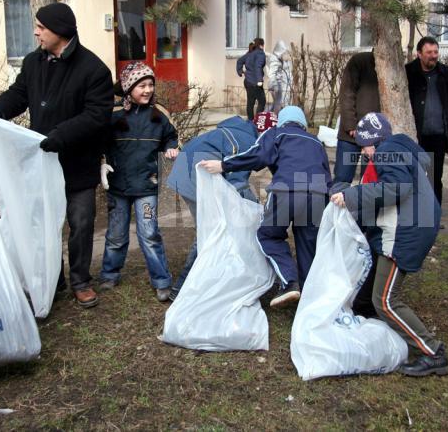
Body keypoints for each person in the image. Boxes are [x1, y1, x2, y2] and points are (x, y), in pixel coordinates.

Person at [0, 2, 113, 308]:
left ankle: (81, 281)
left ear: (59, 30)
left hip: (77, 163)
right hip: (41, 163)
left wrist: (59, 135)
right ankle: (51, 277)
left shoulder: (94, 69)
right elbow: (19, 94)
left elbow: (96, 115)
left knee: (81, 223)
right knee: (43, 223)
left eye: (41, 27)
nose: (36, 32)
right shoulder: (33, 63)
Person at [330, 112, 446, 377]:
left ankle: (434, 351)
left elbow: (396, 188)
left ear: (373, 141)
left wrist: (352, 194)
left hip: (406, 231)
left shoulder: (387, 150)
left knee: (385, 300)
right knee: (373, 298)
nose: (364, 154)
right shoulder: (398, 148)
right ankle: (375, 326)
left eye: (363, 147)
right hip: (412, 226)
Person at [200, 106, 331, 307]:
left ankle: (289, 282)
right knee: (308, 245)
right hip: (317, 195)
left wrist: (224, 165)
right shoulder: (316, 142)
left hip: (286, 190)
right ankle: (311, 301)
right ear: (303, 123)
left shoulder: (276, 133)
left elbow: (257, 155)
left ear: (282, 121)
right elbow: (327, 176)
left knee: (268, 235)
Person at [165, 111, 278, 301]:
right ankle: (181, 288)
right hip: (195, 178)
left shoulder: (240, 130)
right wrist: (257, 209)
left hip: (184, 172)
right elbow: (237, 184)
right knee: (210, 231)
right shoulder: (248, 143)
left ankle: (214, 273)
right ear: (265, 133)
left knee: (215, 227)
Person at [98, 62, 178, 302]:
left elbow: (172, 136)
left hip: (146, 187)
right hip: (118, 187)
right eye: (141, 85)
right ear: (128, 87)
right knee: (116, 234)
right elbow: (98, 140)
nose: (147, 90)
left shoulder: (159, 113)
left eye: (150, 85)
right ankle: (110, 273)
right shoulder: (112, 114)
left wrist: (172, 148)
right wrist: (101, 162)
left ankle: (162, 281)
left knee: (149, 232)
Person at [406, 36, 448, 204]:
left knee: (434, 178)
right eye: (429, 52)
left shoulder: (447, 74)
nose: (433, 56)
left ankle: (432, 215)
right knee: (413, 176)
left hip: (437, 136)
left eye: (435, 52)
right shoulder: (407, 73)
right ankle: (413, 215)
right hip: (415, 136)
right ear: (419, 54)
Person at [335, 51, 381, 184]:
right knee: (342, 180)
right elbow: (346, 95)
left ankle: (365, 205)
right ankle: (336, 205)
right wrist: (351, 127)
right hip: (351, 135)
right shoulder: (360, 61)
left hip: (376, 136)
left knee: (370, 182)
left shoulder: (393, 67)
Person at [236, 37, 267, 120]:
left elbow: (239, 61)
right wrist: (259, 80)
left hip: (248, 81)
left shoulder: (250, 53)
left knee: (250, 102)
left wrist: (240, 71)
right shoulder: (260, 54)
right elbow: (258, 66)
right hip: (255, 82)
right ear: (261, 45)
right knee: (262, 101)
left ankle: (250, 122)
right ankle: (257, 121)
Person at [267, 40, 293, 113]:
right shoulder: (274, 60)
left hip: (278, 84)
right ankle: (276, 117)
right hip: (276, 84)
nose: (284, 54)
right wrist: (274, 86)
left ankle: (275, 116)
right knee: (278, 103)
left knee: (277, 103)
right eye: (283, 52)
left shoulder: (277, 59)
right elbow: (272, 74)